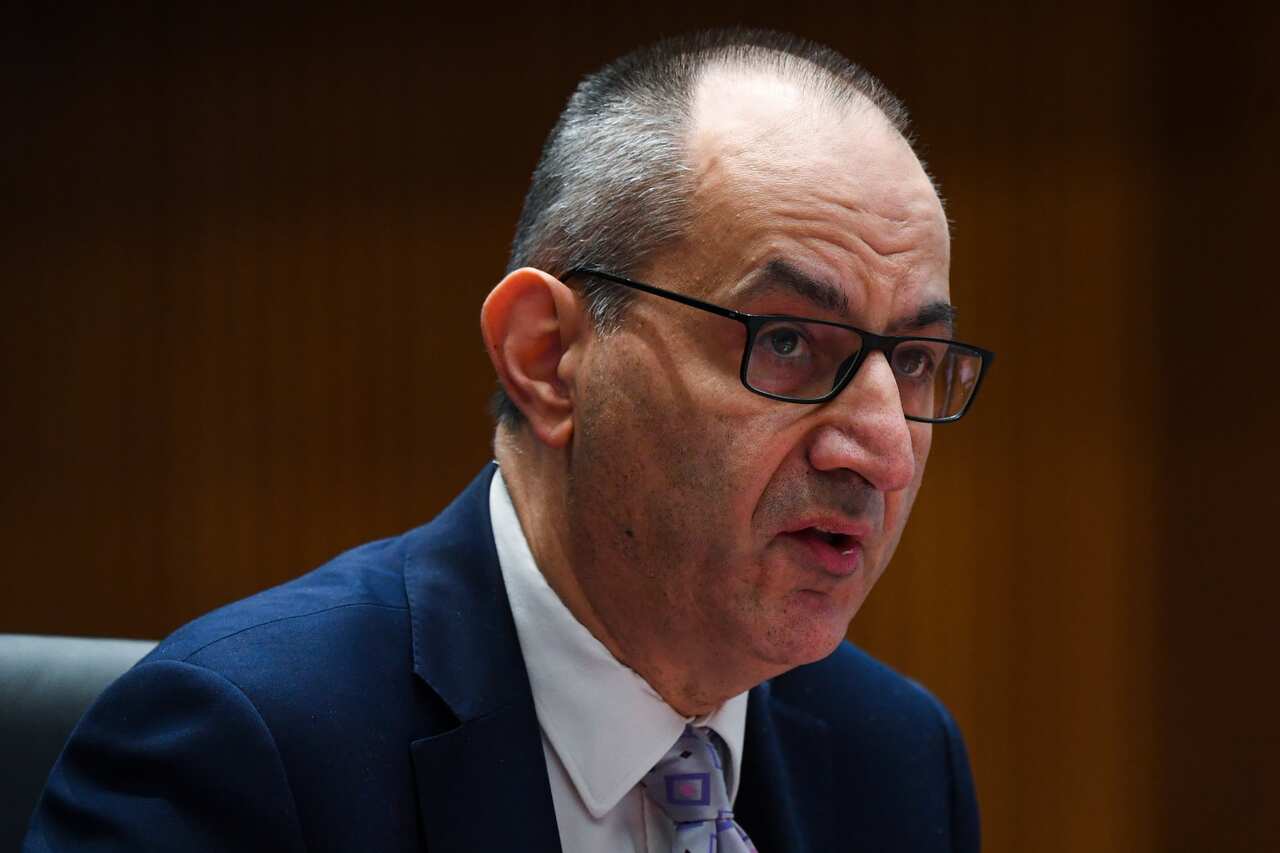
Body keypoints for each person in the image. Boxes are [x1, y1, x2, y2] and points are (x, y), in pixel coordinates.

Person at [25, 28, 991, 853]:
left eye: (912, 361)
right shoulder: (241, 754)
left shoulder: (896, 762)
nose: (883, 452)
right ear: (547, 355)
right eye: (785, 341)